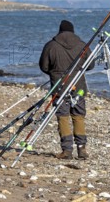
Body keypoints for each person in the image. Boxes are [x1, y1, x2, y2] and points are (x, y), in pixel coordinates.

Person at [39, 20, 94, 160]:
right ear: (73, 31)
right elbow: (91, 65)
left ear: (60, 31)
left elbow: (44, 67)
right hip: (79, 87)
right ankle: (82, 149)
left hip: (59, 86)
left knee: (63, 117)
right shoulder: (83, 45)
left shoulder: (51, 45)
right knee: (78, 116)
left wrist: (55, 72)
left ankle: (67, 150)